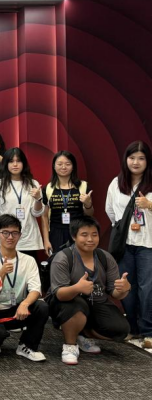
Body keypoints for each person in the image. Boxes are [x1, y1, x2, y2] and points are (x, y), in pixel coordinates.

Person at [49, 216, 131, 364]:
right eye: (84, 235)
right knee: (76, 306)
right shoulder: (63, 257)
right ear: (74, 236)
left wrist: (125, 289)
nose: (90, 239)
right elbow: (60, 294)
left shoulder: (105, 257)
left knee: (121, 330)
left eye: (94, 235)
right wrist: (77, 288)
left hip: (97, 302)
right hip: (68, 302)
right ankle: (70, 346)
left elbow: (114, 293)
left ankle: (82, 334)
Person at [0, 214, 49, 362]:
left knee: (41, 307)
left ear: (20, 235)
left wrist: (25, 303)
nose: (10, 237)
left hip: (16, 310)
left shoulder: (28, 260)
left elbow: (36, 289)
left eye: (14, 233)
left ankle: (27, 346)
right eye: (5, 233)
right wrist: (1, 273)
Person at [105, 140, 152, 349]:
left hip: (148, 243)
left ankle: (148, 331)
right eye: (132, 158)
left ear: (148, 161)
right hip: (125, 244)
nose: (136, 162)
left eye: (141, 158)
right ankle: (132, 327)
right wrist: (123, 226)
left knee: (147, 288)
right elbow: (110, 210)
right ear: (126, 159)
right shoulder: (117, 183)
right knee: (127, 287)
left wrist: (149, 205)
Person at [0, 148, 45, 257]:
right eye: (11, 161)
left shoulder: (33, 184)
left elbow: (37, 213)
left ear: (23, 163)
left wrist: (38, 199)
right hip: (6, 238)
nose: (15, 164)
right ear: (6, 164)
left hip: (28, 240)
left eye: (18, 161)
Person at [41, 151, 94, 255]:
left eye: (68, 164)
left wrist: (88, 204)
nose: (63, 167)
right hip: (56, 232)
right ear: (54, 166)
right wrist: (46, 240)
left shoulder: (83, 186)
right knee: (58, 262)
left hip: (79, 231)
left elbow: (90, 214)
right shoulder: (48, 188)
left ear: (73, 166)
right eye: (60, 164)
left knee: (79, 262)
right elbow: (44, 216)